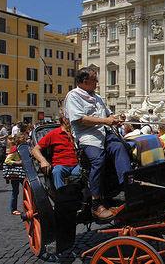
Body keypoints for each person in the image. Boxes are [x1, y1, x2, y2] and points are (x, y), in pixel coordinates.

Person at [64, 67, 132, 221]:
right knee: (98, 160)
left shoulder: (97, 97)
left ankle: (127, 185)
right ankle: (95, 202)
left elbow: (107, 113)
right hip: (88, 136)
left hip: (104, 133)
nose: (97, 82)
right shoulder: (73, 96)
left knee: (121, 147)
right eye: (94, 79)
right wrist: (106, 121)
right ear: (85, 81)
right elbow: (80, 119)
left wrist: (115, 119)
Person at [31, 117, 80, 190]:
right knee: (57, 172)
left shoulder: (76, 133)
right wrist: (43, 161)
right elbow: (35, 150)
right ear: (64, 120)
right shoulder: (53, 134)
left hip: (76, 165)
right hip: (60, 165)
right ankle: (60, 194)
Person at [4, 133, 27, 215]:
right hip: (16, 173)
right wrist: (17, 162)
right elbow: (7, 160)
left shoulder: (24, 147)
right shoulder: (14, 150)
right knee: (15, 191)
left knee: (27, 190)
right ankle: (13, 209)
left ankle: (28, 207)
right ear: (18, 140)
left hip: (22, 172)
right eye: (23, 138)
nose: (25, 139)